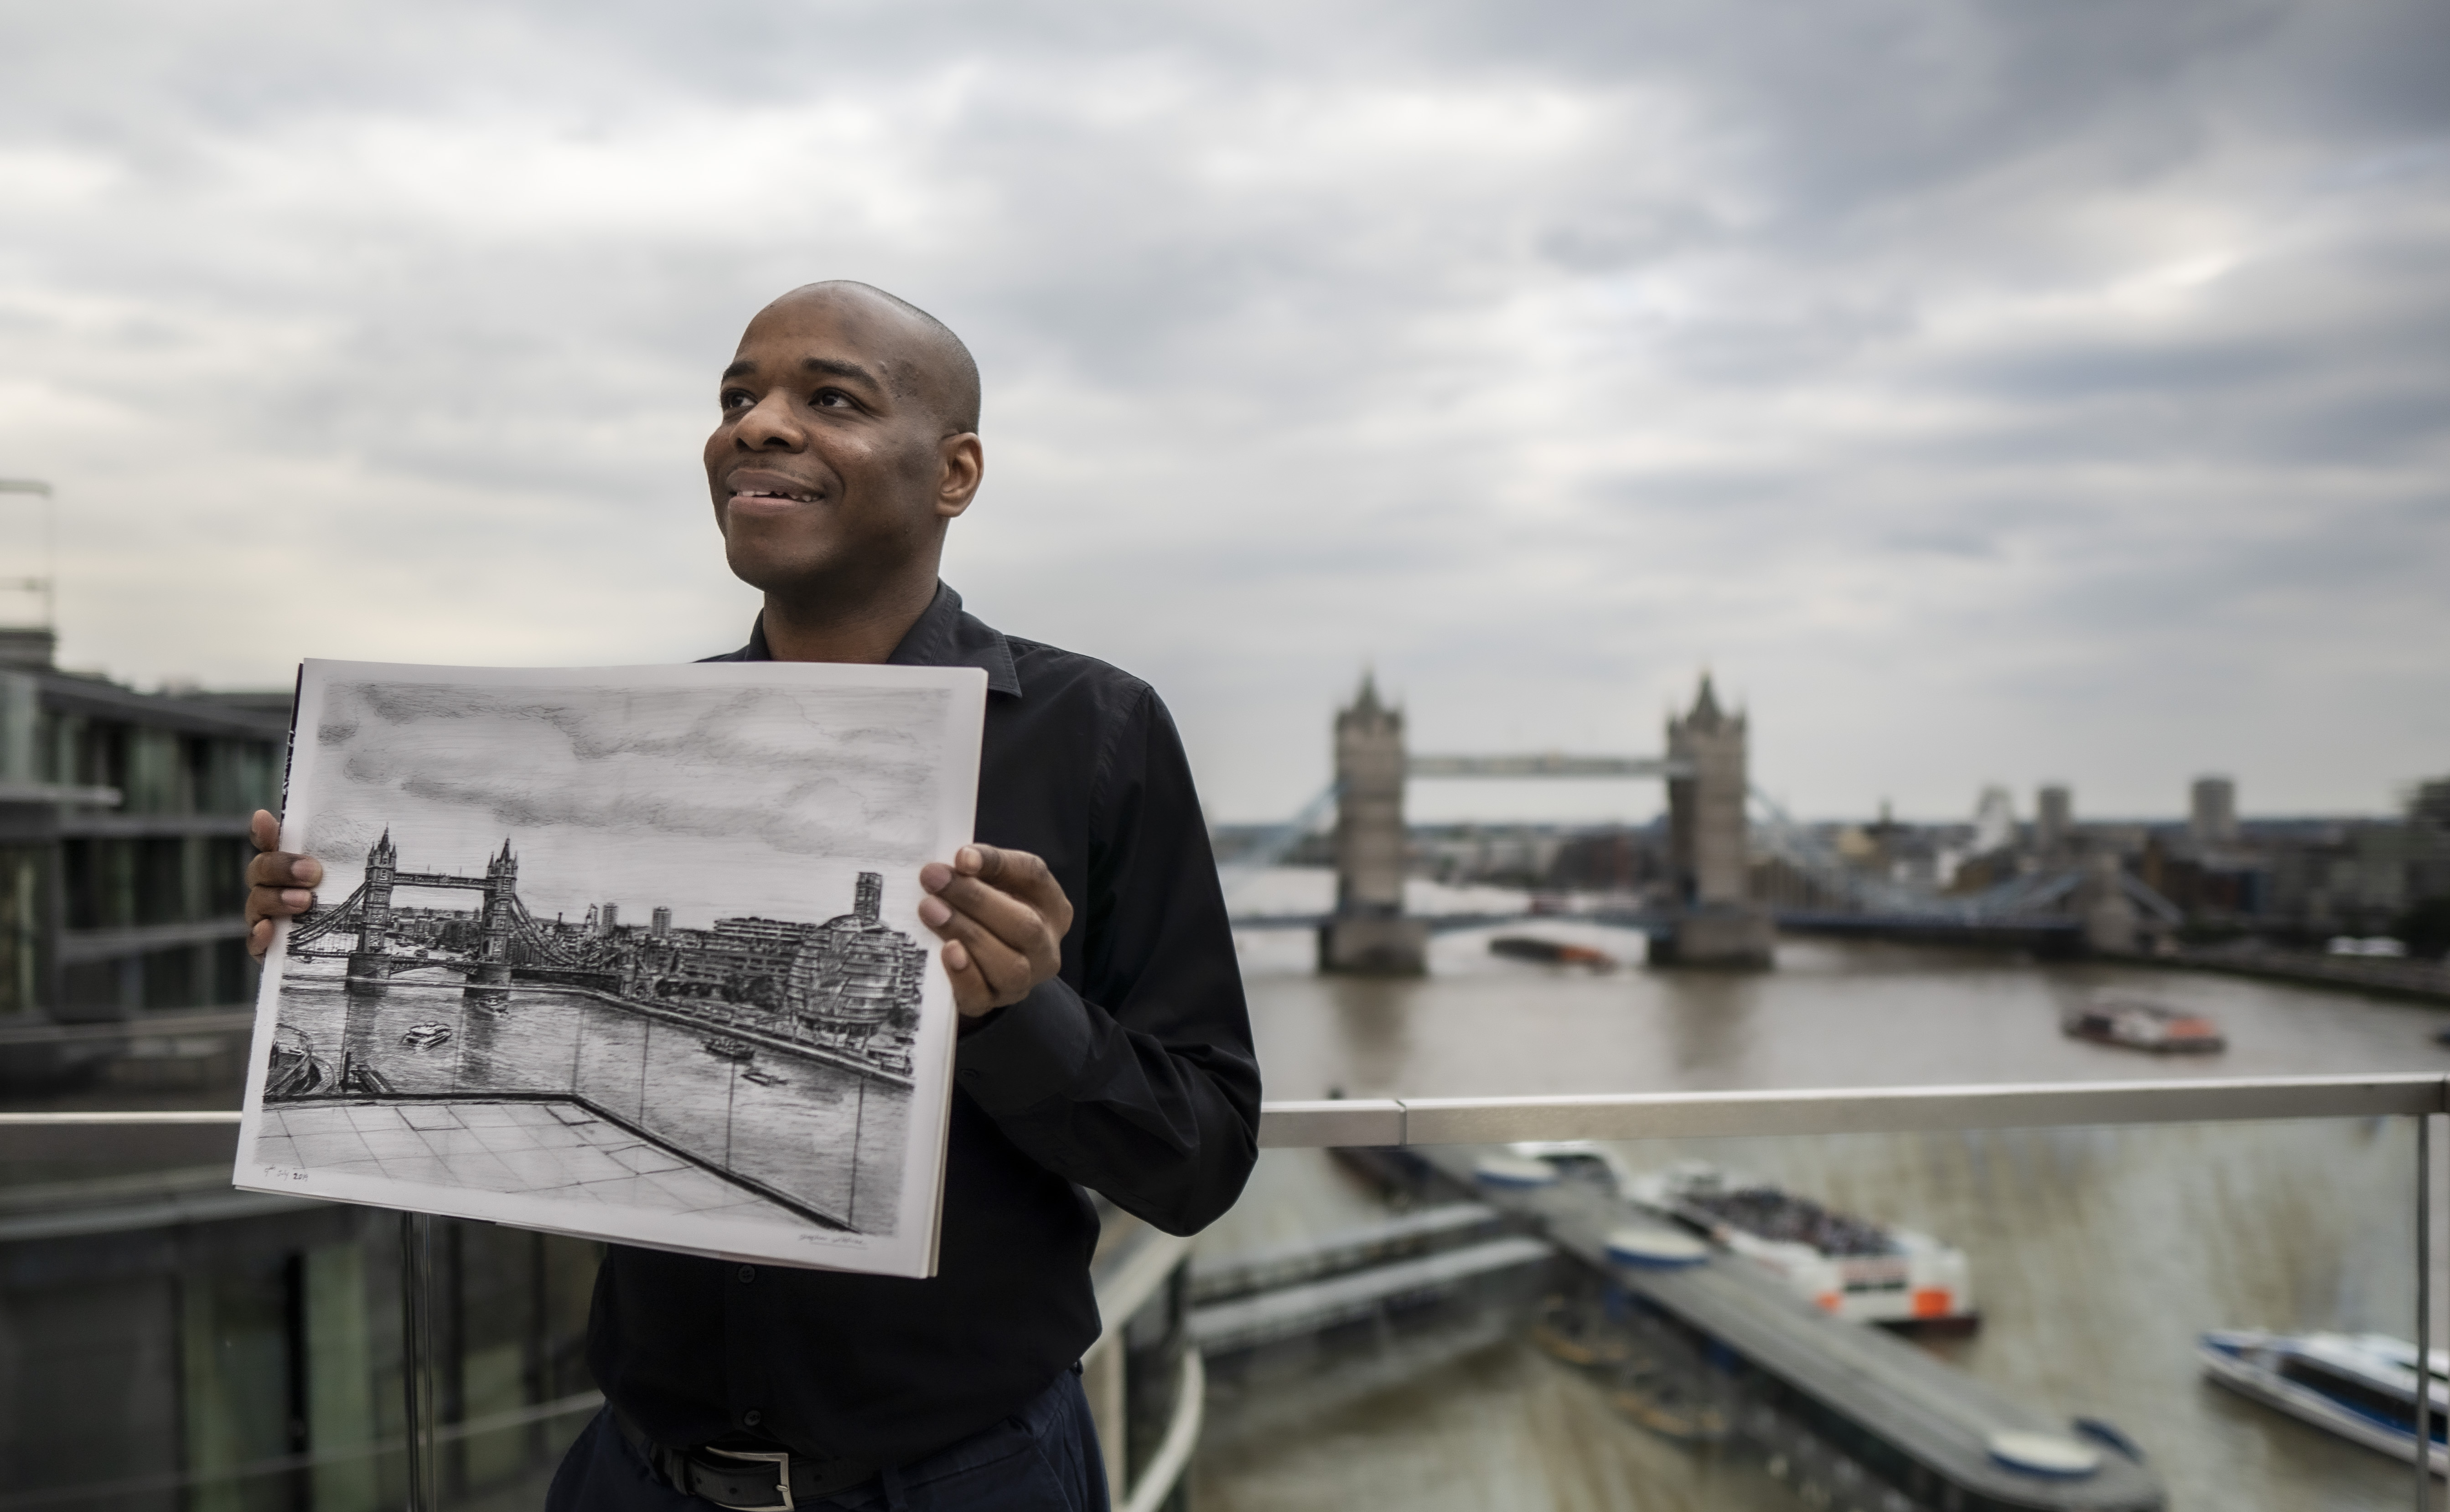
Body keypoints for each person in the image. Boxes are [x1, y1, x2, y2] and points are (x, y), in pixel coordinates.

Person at [242, 281, 1262, 1511]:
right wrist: (317, 921)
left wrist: (1019, 1016)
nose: (756, 426)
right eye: (736, 397)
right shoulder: (647, 735)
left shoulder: (1095, 734)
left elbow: (1200, 1160)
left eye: (827, 399)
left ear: (955, 473)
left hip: (963, 1482)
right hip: (635, 1474)